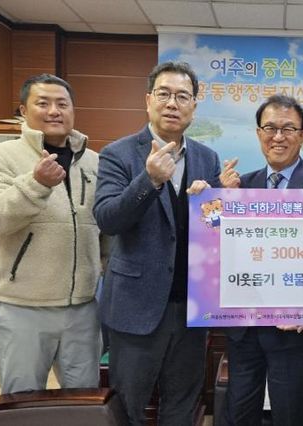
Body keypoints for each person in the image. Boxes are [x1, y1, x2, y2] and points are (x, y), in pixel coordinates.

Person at [93, 61, 220, 426]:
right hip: (137, 307)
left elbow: (213, 234)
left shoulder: (207, 158)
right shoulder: (118, 154)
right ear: (148, 100)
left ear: (194, 105)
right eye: (164, 94)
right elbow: (107, 219)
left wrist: (216, 203)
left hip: (191, 308)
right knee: (129, 407)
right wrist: (148, 181)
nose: (172, 103)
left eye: (182, 96)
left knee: (182, 405)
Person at [0, 73, 102, 394]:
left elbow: (105, 229)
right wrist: (36, 184)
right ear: (23, 110)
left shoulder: (94, 162)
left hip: (82, 308)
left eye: (62, 104)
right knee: (22, 401)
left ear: (73, 110)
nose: (54, 111)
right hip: (23, 306)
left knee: (84, 400)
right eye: (43, 103)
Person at [219, 94, 303, 426]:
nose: (278, 136)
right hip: (244, 326)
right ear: (258, 133)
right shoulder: (239, 187)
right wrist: (217, 201)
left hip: (294, 328)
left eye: (288, 129)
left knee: (290, 413)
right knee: (239, 413)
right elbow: (221, 253)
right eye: (270, 128)